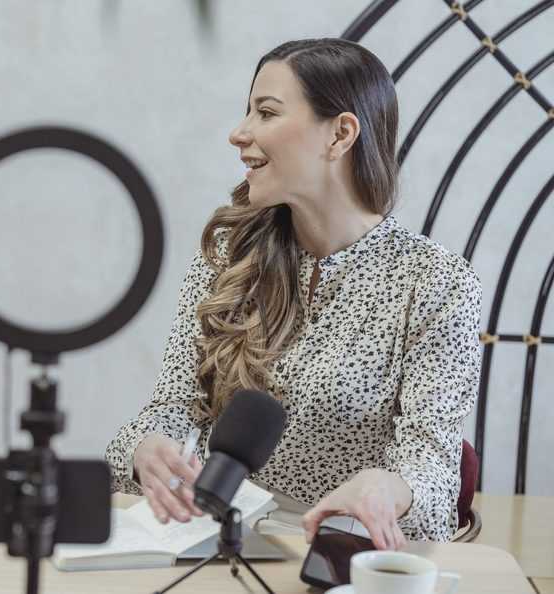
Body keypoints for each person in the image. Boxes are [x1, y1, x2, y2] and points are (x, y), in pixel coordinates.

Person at [105, 38, 482, 550]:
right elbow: (176, 405)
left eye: (266, 112)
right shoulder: (227, 254)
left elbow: (433, 465)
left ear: (341, 134)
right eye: (248, 112)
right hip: (213, 544)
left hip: (338, 556)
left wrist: (389, 488)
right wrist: (147, 447)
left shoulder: (438, 282)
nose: (239, 133)